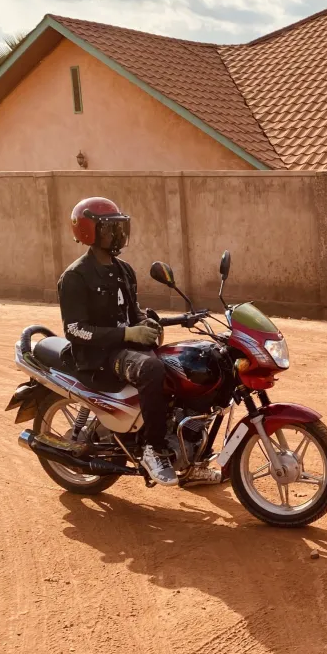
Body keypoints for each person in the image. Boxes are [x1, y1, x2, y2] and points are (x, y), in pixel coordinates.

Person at [58, 197, 220, 487]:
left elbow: (133, 313)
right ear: (89, 231)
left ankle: (191, 458)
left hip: (126, 348)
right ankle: (152, 448)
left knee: (190, 365)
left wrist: (147, 323)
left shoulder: (124, 270)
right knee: (151, 370)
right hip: (99, 356)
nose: (117, 235)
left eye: (120, 228)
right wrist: (127, 334)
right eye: (109, 228)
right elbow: (74, 330)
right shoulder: (75, 277)